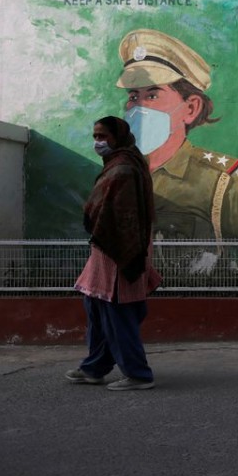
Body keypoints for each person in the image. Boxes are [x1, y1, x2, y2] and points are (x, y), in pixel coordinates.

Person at [118, 29, 238, 242]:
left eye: (152, 95)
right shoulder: (120, 176)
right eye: (134, 96)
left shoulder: (224, 181)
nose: (139, 106)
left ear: (191, 108)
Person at [65, 116, 162, 390]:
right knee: (96, 309)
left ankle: (138, 374)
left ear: (117, 137)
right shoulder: (124, 164)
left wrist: (94, 215)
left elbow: (117, 212)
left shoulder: (123, 169)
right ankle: (94, 367)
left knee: (118, 313)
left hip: (119, 252)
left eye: (103, 136)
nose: (98, 142)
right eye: (95, 136)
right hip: (106, 250)